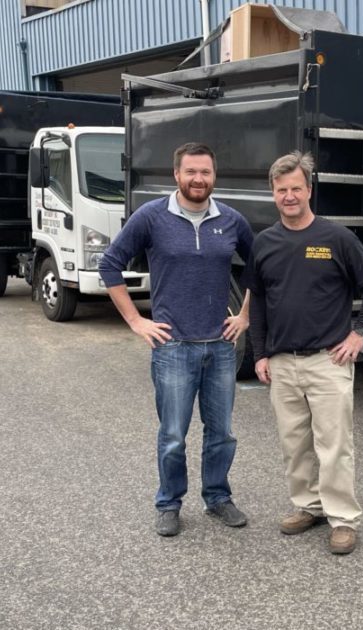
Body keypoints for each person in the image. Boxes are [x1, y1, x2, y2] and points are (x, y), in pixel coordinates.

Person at [99, 142, 253, 537]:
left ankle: (217, 497)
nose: (198, 179)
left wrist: (246, 315)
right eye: (191, 172)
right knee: (172, 435)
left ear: (214, 176)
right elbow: (110, 264)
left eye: (205, 172)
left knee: (222, 434)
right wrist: (136, 321)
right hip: (172, 349)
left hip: (220, 347)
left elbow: (261, 268)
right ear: (176, 175)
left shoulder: (232, 221)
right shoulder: (151, 217)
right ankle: (169, 502)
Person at [245, 151, 363, 554]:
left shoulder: (337, 238)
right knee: (294, 442)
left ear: (309, 190)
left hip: (328, 360)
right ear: (273, 194)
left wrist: (360, 333)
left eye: (296, 189)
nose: (289, 196)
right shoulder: (265, 243)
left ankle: (342, 519)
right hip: (282, 362)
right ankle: (308, 506)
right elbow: (258, 303)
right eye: (281, 190)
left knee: (335, 444)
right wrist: (260, 354)